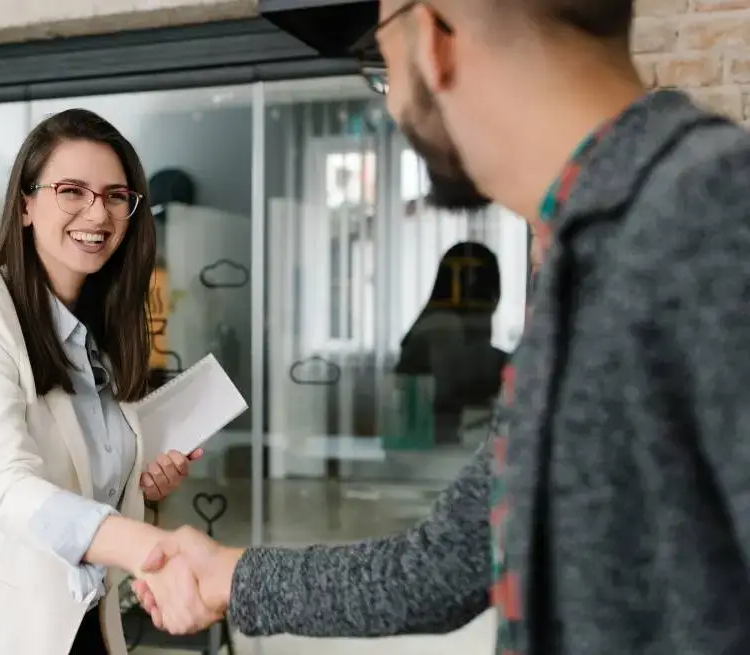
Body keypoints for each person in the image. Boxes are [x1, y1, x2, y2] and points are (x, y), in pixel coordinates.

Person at [135, 0, 750, 652]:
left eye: (383, 67)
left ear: (430, 41)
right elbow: (445, 564)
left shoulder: (709, 214)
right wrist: (229, 576)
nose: (393, 100)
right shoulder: (584, 254)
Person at [0, 108, 209, 655]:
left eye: (114, 196)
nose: (96, 212)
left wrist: (137, 481)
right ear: (26, 204)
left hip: (80, 629)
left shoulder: (98, 331)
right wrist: (150, 547)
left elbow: (79, 480)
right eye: (72, 190)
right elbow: (8, 487)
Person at [395, 241, 507, 445]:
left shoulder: (445, 323)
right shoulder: (443, 325)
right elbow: (453, 384)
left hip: (442, 442)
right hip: (432, 447)